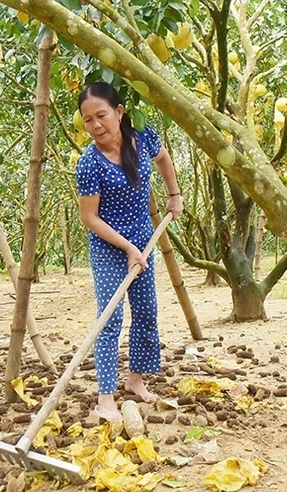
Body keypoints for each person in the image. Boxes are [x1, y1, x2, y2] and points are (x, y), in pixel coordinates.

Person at [75, 82, 183, 424]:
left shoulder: (141, 137)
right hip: (110, 246)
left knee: (146, 311)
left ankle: (135, 379)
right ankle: (105, 397)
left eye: (101, 115)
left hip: (142, 238)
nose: (95, 125)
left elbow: (163, 158)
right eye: (88, 120)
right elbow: (89, 218)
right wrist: (127, 248)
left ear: (119, 112)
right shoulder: (89, 164)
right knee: (110, 318)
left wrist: (174, 195)